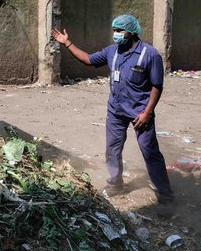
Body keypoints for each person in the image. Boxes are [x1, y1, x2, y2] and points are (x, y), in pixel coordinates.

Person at [52, 14, 174, 213]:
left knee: (150, 152)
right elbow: (88, 60)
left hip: (140, 113)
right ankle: (115, 184)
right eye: (114, 30)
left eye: (119, 31)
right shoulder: (112, 51)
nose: (116, 34)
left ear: (132, 32)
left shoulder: (150, 54)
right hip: (116, 110)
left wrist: (147, 113)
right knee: (112, 149)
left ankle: (166, 195)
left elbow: (157, 86)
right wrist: (67, 43)